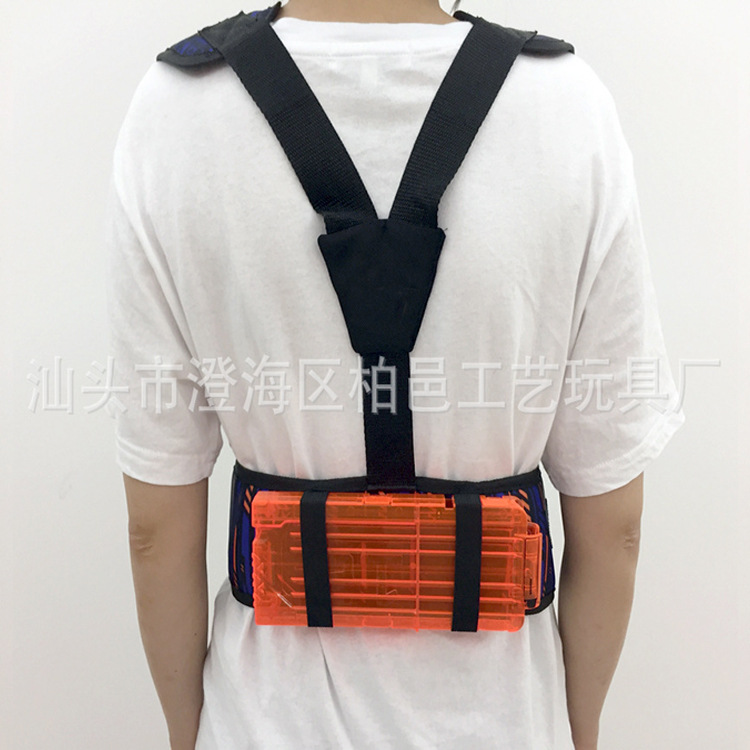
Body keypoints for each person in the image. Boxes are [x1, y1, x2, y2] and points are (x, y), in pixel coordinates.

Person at [104, 1, 686, 748]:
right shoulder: (567, 109)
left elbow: (155, 532)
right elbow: (615, 530)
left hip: (263, 724)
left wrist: (195, 734)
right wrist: (576, 732)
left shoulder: (175, 112)